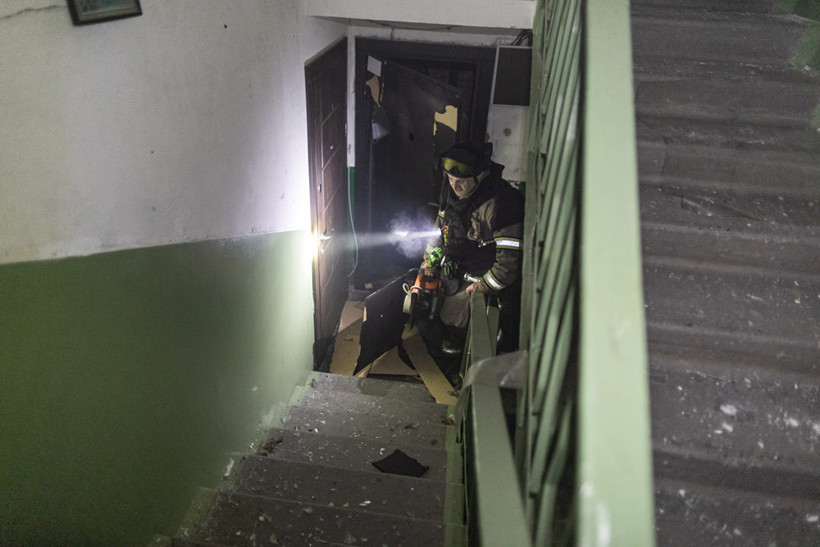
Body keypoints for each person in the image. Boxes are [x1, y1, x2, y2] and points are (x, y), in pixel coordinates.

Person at [420, 141, 525, 361]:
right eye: (450, 179)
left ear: (481, 175)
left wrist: (484, 287)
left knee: (452, 319)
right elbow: (439, 231)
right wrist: (429, 260)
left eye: (461, 181)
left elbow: (508, 264)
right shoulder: (450, 194)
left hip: (485, 279)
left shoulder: (502, 203)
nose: (455, 186)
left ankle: (457, 358)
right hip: (458, 271)